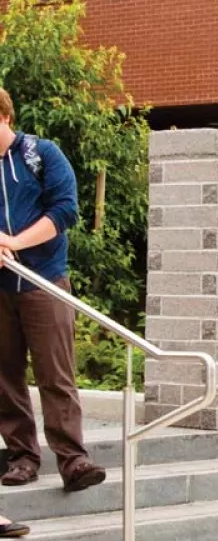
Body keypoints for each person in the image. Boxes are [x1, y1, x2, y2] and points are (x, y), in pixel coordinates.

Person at [0, 87, 106, 493]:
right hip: (1, 287)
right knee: (4, 375)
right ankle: (22, 456)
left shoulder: (41, 155)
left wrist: (12, 243)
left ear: (6, 116)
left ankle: (73, 459)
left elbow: (64, 210)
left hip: (45, 280)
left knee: (55, 373)